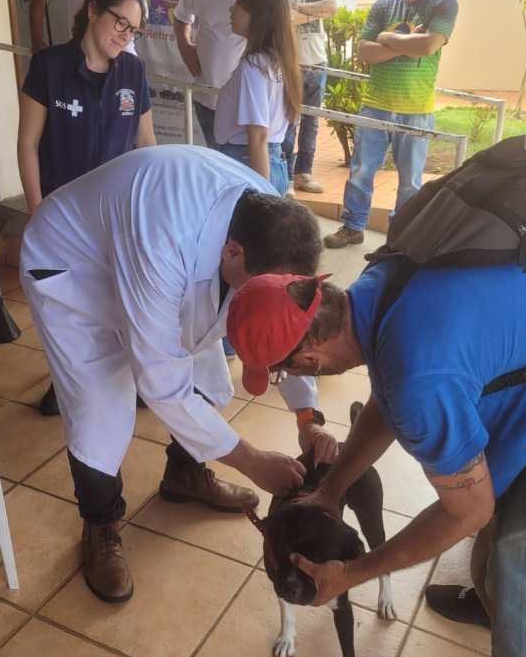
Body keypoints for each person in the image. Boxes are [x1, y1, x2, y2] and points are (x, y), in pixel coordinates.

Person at [227, 264, 526, 657]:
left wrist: (352, 573)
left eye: (282, 372)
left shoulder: (419, 381)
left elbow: (467, 512)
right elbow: (384, 397)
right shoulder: (375, 290)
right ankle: (494, 602)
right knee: (494, 553)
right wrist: (331, 490)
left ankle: (517, 647)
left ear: (307, 360)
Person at [19, 145, 339, 604]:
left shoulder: (274, 223)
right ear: (232, 252)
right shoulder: (164, 232)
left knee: (210, 377)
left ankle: (184, 476)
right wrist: (250, 460)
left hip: (151, 258)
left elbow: (284, 328)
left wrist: (308, 418)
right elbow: (160, 381)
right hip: (75, 267)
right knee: (100, 408)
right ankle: (101, 525)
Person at [20, 0, 156, 416]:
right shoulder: (49, 66)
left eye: (133, 30)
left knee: (119, 302)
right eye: (120, 22)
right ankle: (66, 383)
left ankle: (126, 380)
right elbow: (27, 143)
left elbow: (147, 145)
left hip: (116, 215)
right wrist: (36, 210)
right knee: (67, 310)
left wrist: (149, 210)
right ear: (93, 10)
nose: (125, 35)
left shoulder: (132, 72)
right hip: (61, 217)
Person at [324, 0, 458, 248]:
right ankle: (353, 225)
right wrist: (407, 46)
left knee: (410, 182)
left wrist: (388, 38)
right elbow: (364, 52)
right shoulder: (385, 4)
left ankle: (400, 238)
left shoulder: (444, 4)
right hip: (376, 103)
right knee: (360, 171)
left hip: (416, 109)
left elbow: (428, 45)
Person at [173, 0, 277, 147]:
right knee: (220, 170)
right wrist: (185, 47)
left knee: (252, 171)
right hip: (209, 97)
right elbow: (181, 19)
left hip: (253, 104)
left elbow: (283, 29)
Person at [213, 0, 301, 196]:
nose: (231, 10)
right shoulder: (276, 60)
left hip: (248, 166)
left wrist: (261, 198)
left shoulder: (254, 66)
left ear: (258, 13)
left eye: (239, 3)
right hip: (269, 163)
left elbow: (258, 137)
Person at [280, 0, 335, 195]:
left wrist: (300, 8)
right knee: (289, 121)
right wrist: (316, 11)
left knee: (312, 123)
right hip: (292, 64)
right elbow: (284, 19)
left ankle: (304, 173)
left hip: (317, 62)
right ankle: (287, 178)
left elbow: (332, 7)